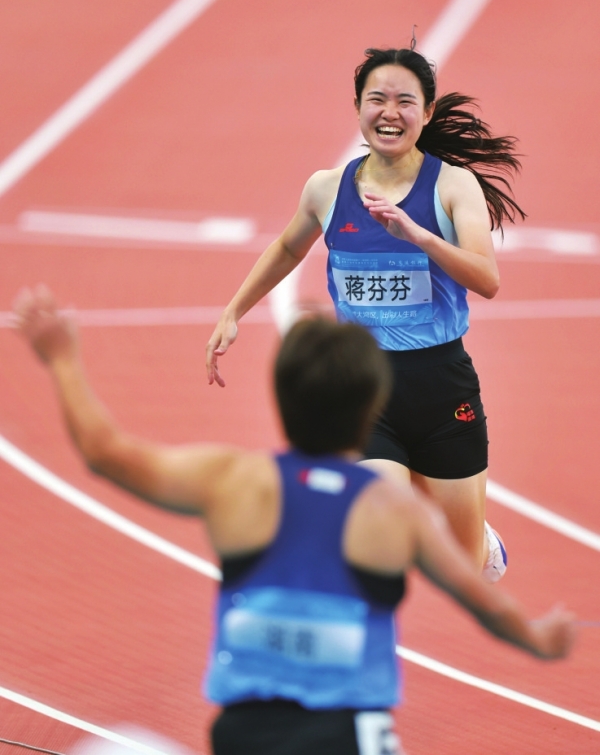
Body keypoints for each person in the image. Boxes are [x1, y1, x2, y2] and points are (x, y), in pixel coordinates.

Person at [14, 286, 575, 755]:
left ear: (280, 396)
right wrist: (538, 638)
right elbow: (485, 599)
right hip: (353, 738)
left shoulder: (233, 482)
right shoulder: (393, 510)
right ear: (372, 409)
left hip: (243, 735)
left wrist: (61, 358)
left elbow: (105, 453)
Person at [206, 45, 527, 582]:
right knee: (383, 536)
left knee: (465, 567)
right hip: (366, 388)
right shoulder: (327, 189)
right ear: (357, 107)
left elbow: (487, 279)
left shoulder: (452, 186)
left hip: (442, 386)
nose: (389, 113)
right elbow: (287, 248)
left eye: (405, 101)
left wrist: (420, 235)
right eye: (377, 99)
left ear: (427, 112)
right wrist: (233, 310)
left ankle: (480, 541)